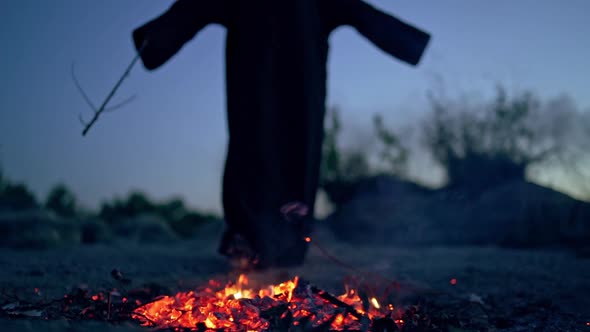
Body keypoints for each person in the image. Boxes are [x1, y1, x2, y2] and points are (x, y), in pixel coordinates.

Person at [132, 0, 430, 269]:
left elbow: (356, 11)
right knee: (252, 149)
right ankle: (247, 238)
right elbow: (196, 8)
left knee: (295, 156)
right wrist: (156, 40)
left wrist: (409, 43)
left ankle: (288, 243)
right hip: (252, 78)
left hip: (302, 83)